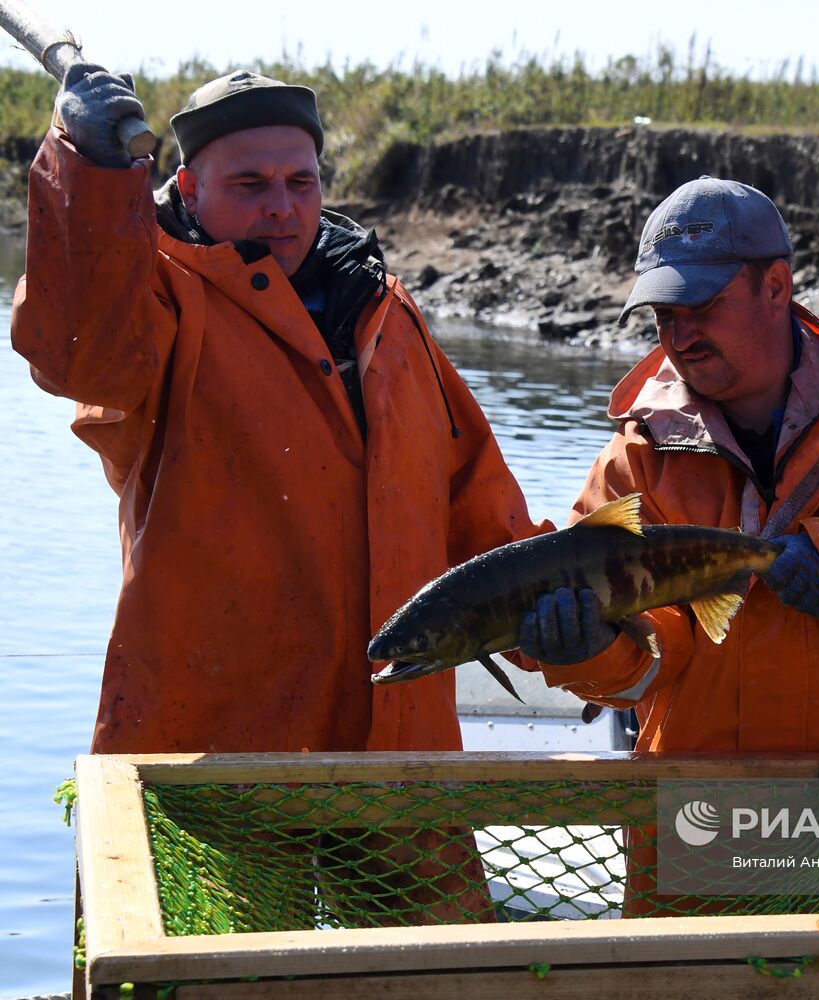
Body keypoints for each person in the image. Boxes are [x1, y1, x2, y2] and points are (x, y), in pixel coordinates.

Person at [11, 66, 540, 757]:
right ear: (191, 191)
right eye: (250, 184)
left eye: (301, 182)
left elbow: (477, 507)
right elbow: (75, 354)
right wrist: (87, 171)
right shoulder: (155, 302)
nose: (282, 208)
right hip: (212, 754)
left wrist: (584, 641)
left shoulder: (387, 310)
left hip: (400, 751)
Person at [516, 175, 819, 777]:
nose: (680, 337)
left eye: (701, 307)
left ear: (776, 286)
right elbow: (648, 659)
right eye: (663, 315)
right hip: (701, 827)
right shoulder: (635, 458)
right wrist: (590, 652)